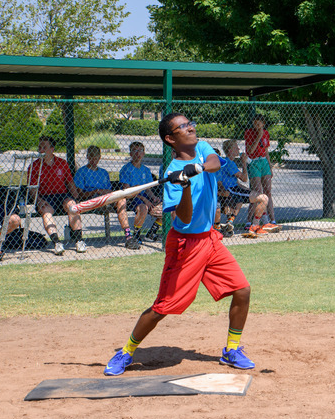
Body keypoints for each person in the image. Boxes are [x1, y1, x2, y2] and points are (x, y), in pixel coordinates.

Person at [104, 112, 255, 376]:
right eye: (182, 127)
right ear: (170, 138)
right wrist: (184, 185)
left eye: (189, 124)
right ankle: (126, 353)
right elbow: (183, 217)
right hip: (184, 245)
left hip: (209, 238)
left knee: (241, 289)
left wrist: (196, 169)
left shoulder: (202, 148)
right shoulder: (171, 173)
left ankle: (232, 350)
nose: (190, 128)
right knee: (163, 307)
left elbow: (214, 163)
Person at [27, 135, 86, 254]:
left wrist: (76, 198)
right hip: (45, 197)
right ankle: (57, 243)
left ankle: (79, 241)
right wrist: (39, 201)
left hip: (61, 195)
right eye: (39, 147)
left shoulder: (62, 163)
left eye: (44, 147)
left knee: (72, 206)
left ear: (52, 149)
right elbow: (32, 189)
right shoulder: (34, 166)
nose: (41, 150)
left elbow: (69, 182)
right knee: (46, 212)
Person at [75, 145, 137, 249]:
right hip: (91, 198)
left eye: (96, 158)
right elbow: (80, 194)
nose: (93, 160)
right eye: (91, 157)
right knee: (110, 198)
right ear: (87, 157)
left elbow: (108, 189)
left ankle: (128, 236)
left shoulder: (103, 173)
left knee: (121, 200)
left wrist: (108, 193)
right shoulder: (81, 172)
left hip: (106, 197)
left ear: (99, 157)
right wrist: (97, 191)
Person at [216, 139, 279, 238]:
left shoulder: (229, 162)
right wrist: (244, 163)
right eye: (236, 147)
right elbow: (244, 178)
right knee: (264, 198)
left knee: (259, 196)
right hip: (233, 190)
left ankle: (251, 224)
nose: (238, 149)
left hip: (235, 188)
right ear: (230, 150)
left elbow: (236, 182)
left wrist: (248, 191)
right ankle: (254, 226)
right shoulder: (229, 163)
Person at [118, 141, 163, 243]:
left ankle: (152, 233)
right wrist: (145, 199)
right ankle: (136, 234)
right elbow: (127, 191)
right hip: (132, 198)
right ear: (130, 154)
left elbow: (148, 189)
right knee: (143, 207)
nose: (137, 153)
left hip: (144, 198)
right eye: (134, 150)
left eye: (140, 151)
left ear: (143, 153)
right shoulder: (126, 169)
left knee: (166, 206)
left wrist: (154, 198)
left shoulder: (146, 170)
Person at [244, 113, 277, 225]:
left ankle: (272, 219)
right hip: (254, 162)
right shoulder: (249, 133)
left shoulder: (266, 133)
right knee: (257, 193)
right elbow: (251, 150)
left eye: (259, 123)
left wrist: (270, 166)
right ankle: (251, 220)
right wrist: (258, 136)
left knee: (268, 191)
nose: (257, 125)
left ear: (263, 124)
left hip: (263, 161)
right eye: (255, 123)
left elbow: (266, 151)